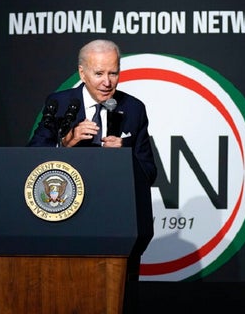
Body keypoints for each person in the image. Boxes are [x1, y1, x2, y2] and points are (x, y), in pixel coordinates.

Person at [27, 39, 156, 313]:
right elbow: (32, 157)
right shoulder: (59, 103)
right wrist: (67, 142)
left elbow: (149, 171)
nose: (107, 82)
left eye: (113, 73)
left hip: (117, 223)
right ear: (82, 73)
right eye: (99, 73)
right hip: (68, 221)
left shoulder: (134, 109)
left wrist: (125, 156)